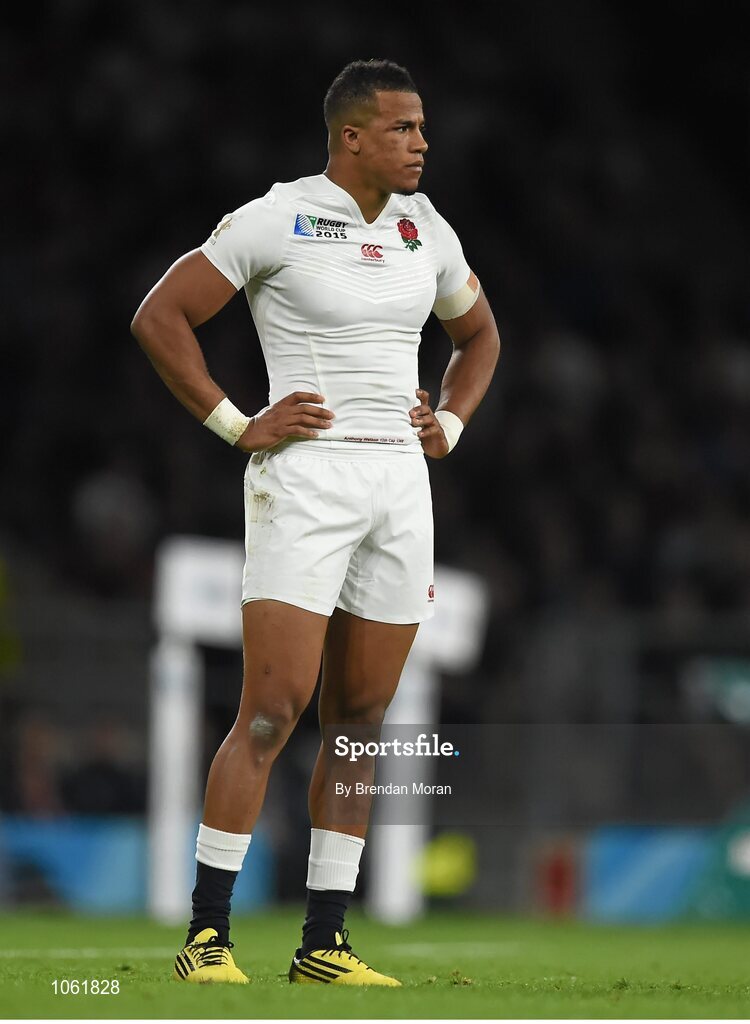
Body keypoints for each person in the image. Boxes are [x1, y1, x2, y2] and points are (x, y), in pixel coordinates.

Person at [131, 58, 500, 987]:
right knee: (272, 709)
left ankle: (323, 945)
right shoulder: (277, 216)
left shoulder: (427, 228)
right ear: (352, 136)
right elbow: (162, 314)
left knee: (363, 719)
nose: (422, 143)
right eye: (404, 128)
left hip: (398, 483)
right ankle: (208, 937)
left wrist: (448, 424)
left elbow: (480, 335)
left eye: (423, 128)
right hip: (305, 478)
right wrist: (237, 423)